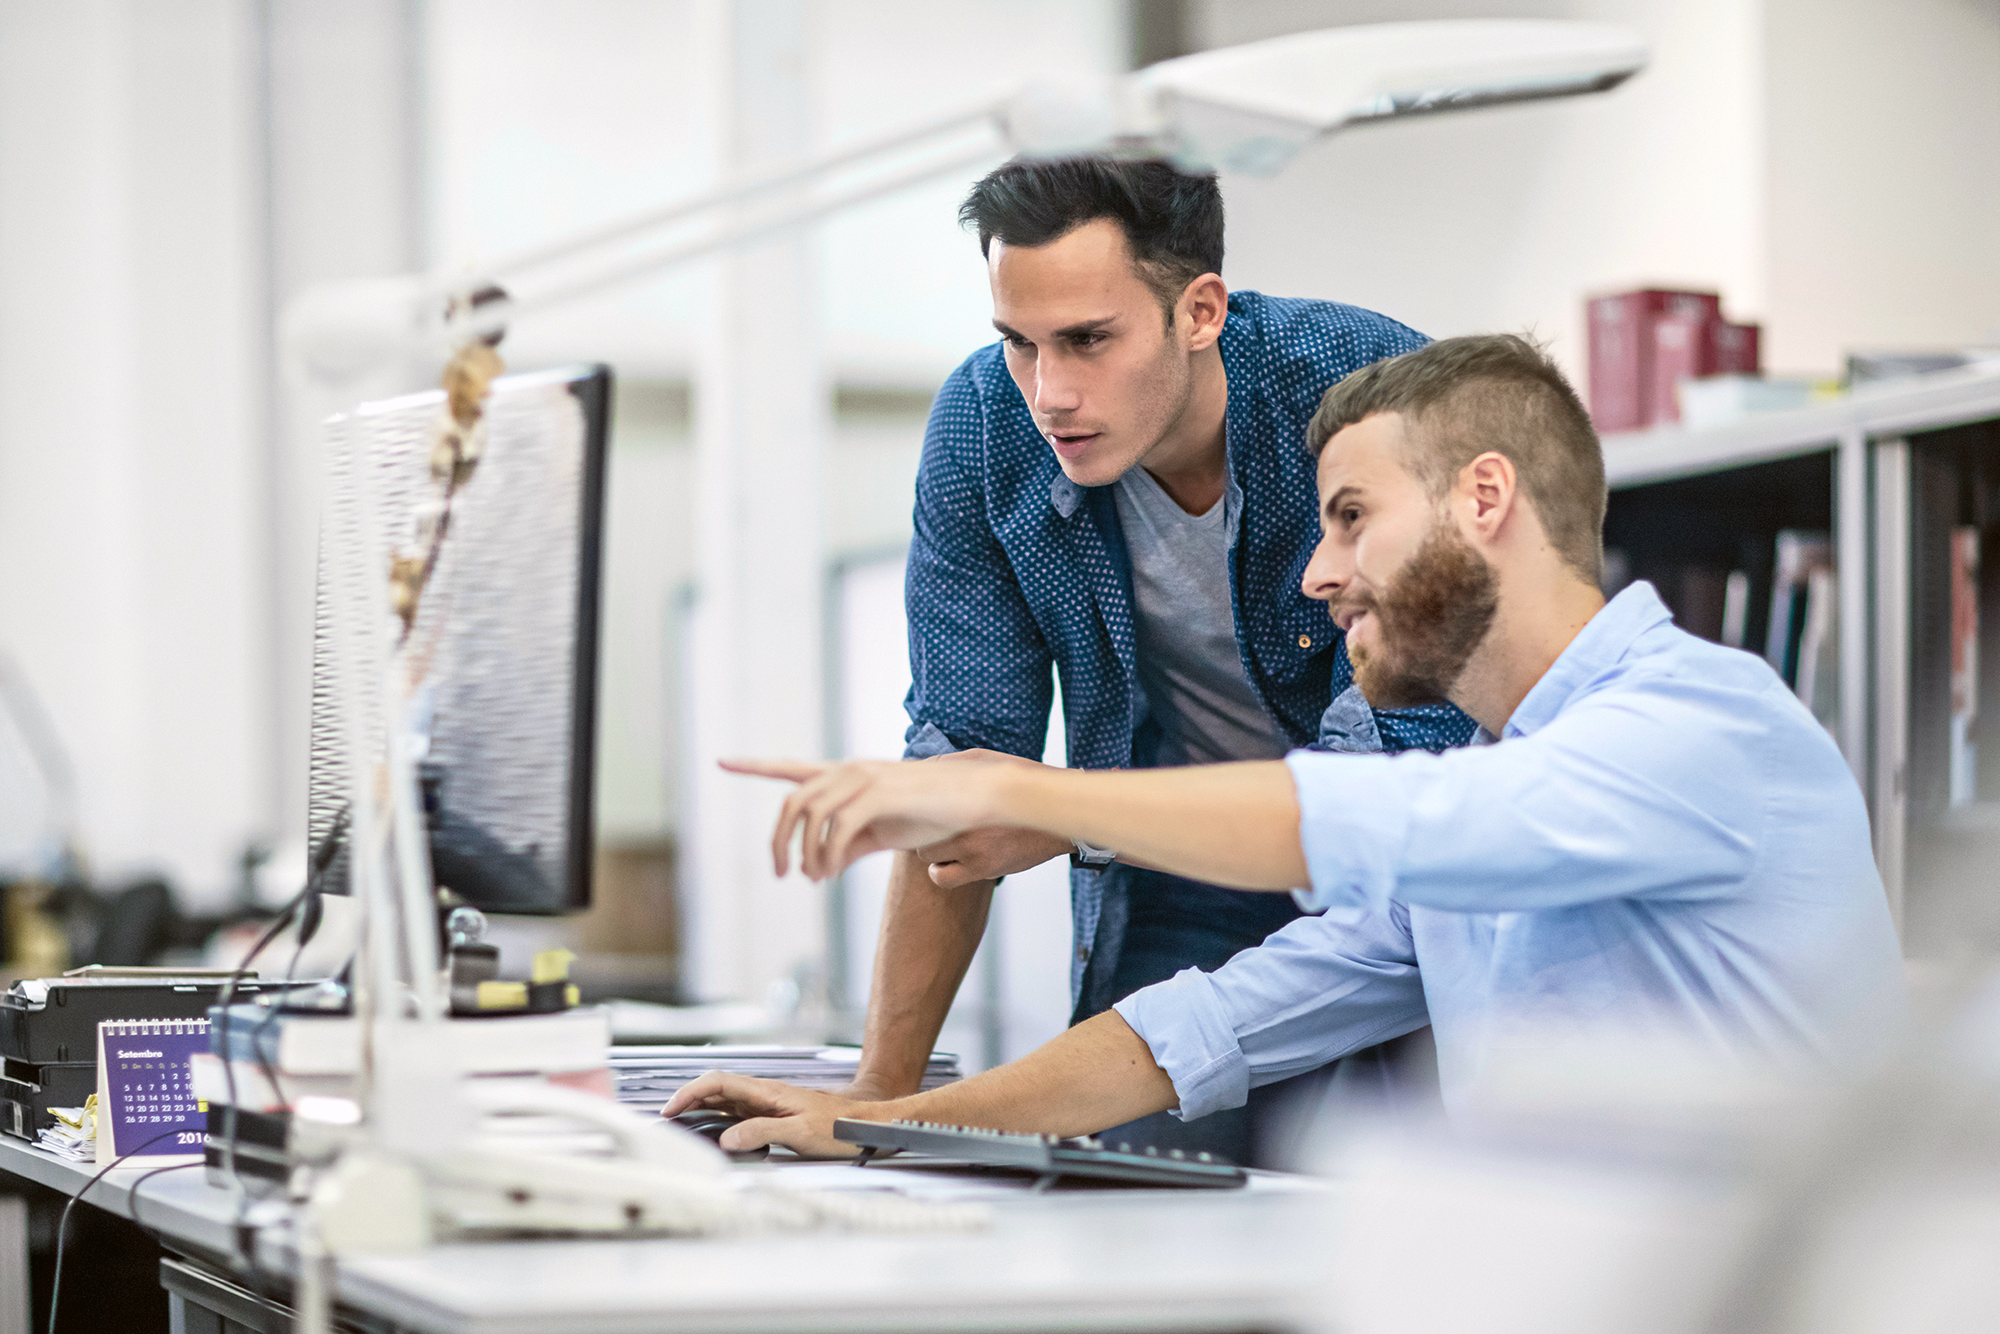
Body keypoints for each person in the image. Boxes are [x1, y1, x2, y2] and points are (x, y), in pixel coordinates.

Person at [671, 333, 1910, 1156]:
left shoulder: (1701, 726)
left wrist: (1022, 788)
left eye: (1350, 517)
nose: (1317, 572)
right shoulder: (1496, 792)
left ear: (1484, 499)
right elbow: (1204, 1026)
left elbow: (1367, 819)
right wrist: (883, 1123)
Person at [857, 155, 1473, 1162]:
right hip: (1171, 866)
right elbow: (961, 773)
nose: (1048, 392)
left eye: (1088, 340)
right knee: (1130, 1178)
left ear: (1199, 310)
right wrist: (874, 1103)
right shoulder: (983, 427)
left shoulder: (1368, 397)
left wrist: (1064, 813)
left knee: (1400, 1198)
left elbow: (1390, 799)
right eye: (1018, 343)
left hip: (1404, 875)